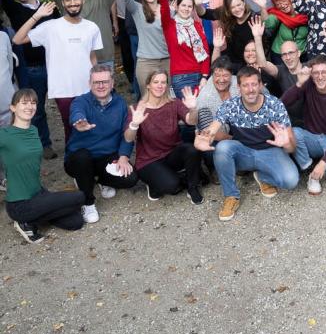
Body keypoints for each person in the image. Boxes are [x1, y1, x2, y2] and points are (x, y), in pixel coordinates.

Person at [194, 65, 299, 221]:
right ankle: (231, 196)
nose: (250, 90)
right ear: (239, 87)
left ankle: (263, 176)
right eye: (245, 85)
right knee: (222, 148)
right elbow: (213, 128)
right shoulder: (231, 105)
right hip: (244, 152)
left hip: (270, 151)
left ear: (260, 85)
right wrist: (204, 139)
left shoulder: (275, 105)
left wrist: (286, 144)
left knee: (291, 181)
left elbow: (292, 147)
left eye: (254, 84)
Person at [13, 0, 103, 146]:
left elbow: (92, 56)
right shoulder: (50, 27)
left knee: (93, 127)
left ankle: (94, 161)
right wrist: (37, 15)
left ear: (82, 0)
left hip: (89, 89)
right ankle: (74, 164)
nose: (72, 2)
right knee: (72, 129)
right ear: (62, 2)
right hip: (64, 91)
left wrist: (99, 81)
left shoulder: (91, 27)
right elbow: (17, 39)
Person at [0, 89, 85, 243]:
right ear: (13, 108)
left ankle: (33, 219)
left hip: (38, 193)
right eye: (24, 103)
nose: (29, 107)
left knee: (76, 222)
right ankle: (23, 220)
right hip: (20, 203)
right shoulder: (5, 135)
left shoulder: (33, 130)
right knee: (79, 197)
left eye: (33, 103)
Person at [62, 65, 138, 224]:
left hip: (106, 157)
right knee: (83, 159)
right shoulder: (81, 101)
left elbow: (126, 136)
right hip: (79, 158)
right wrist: (79, 121)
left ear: (112, 83)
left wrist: (124, 156)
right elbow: (76, 113)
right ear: (90, 83)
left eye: (105, 82)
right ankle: (87, 202)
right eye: (96, 82)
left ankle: (98, 179)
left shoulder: (120, 104)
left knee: (130, 178)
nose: (101, 86)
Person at [0, 0, 56, 156]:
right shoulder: (16, 10)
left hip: (55, 65)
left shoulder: (50, 8)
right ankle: (44, 143)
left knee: (66, 103)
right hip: (34, 69)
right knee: (37, 108)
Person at [123, 73, 203, 203]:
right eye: (156, 82)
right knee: (173, 186)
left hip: (171, 154)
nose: (160, 86)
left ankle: (192, 187)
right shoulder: (139, 109)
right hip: (149, 160)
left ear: (167, 85)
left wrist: (193, 109)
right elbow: (128, 138)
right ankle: (156, 182)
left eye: (163, 82)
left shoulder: (174, 103)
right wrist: (134, 124)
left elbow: (191, 121)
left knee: (191, 148)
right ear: (148, 85)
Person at [282, 55, 326, 195]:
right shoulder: (308, 85)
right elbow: (282, 103)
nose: (320, 77)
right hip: (312, 137)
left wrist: (324, 162)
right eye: (316, 73)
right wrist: (299, 83)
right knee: (293, 133)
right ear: (311, 74)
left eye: (324, 72)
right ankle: (308, 167)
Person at [157, 0, 210, 96]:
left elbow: (205, 50)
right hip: (181, 77)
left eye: (189, 6)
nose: (186, 9)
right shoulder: (169, 25)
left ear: (193, 9)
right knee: (187, 112)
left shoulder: (196, 25)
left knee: (201, 112)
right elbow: (163, 6)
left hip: (200, 76)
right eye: (183, 6)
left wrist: (204, 76)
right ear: (177, 7)